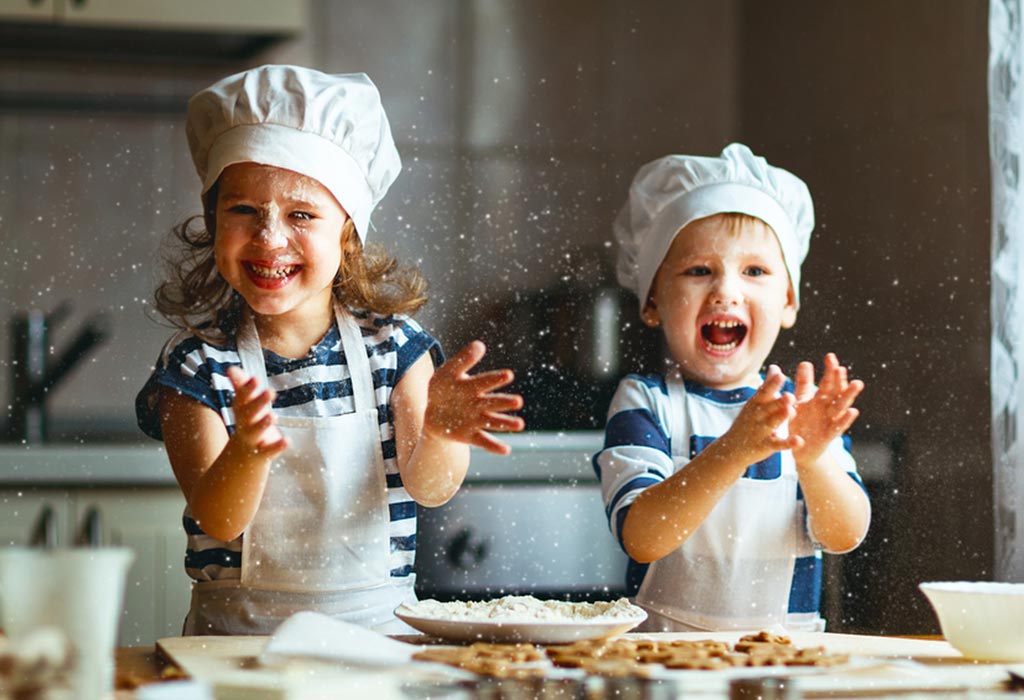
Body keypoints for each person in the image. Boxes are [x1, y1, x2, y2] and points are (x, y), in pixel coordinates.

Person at [135, 65, 524, 635]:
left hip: (379, 640)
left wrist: (439, 431)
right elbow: (218, 519)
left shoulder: (396, 348)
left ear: (347, 233)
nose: (269, 237)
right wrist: (247, 451)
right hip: (237, 647)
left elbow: (430, 490)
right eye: (242, 210)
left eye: (301, 214)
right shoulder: (196, 366)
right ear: (212, 221)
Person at [594, 143, 871, 632]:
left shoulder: (801, 412)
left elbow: (845, 534)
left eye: (755, 272)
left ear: (788, 301)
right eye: (699, 270)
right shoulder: (646, 402)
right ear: (653, 300)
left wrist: (811, 458)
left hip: (784, 666)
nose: (726, 290)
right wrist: (733, 451)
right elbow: (642, 535)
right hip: (663, 665)